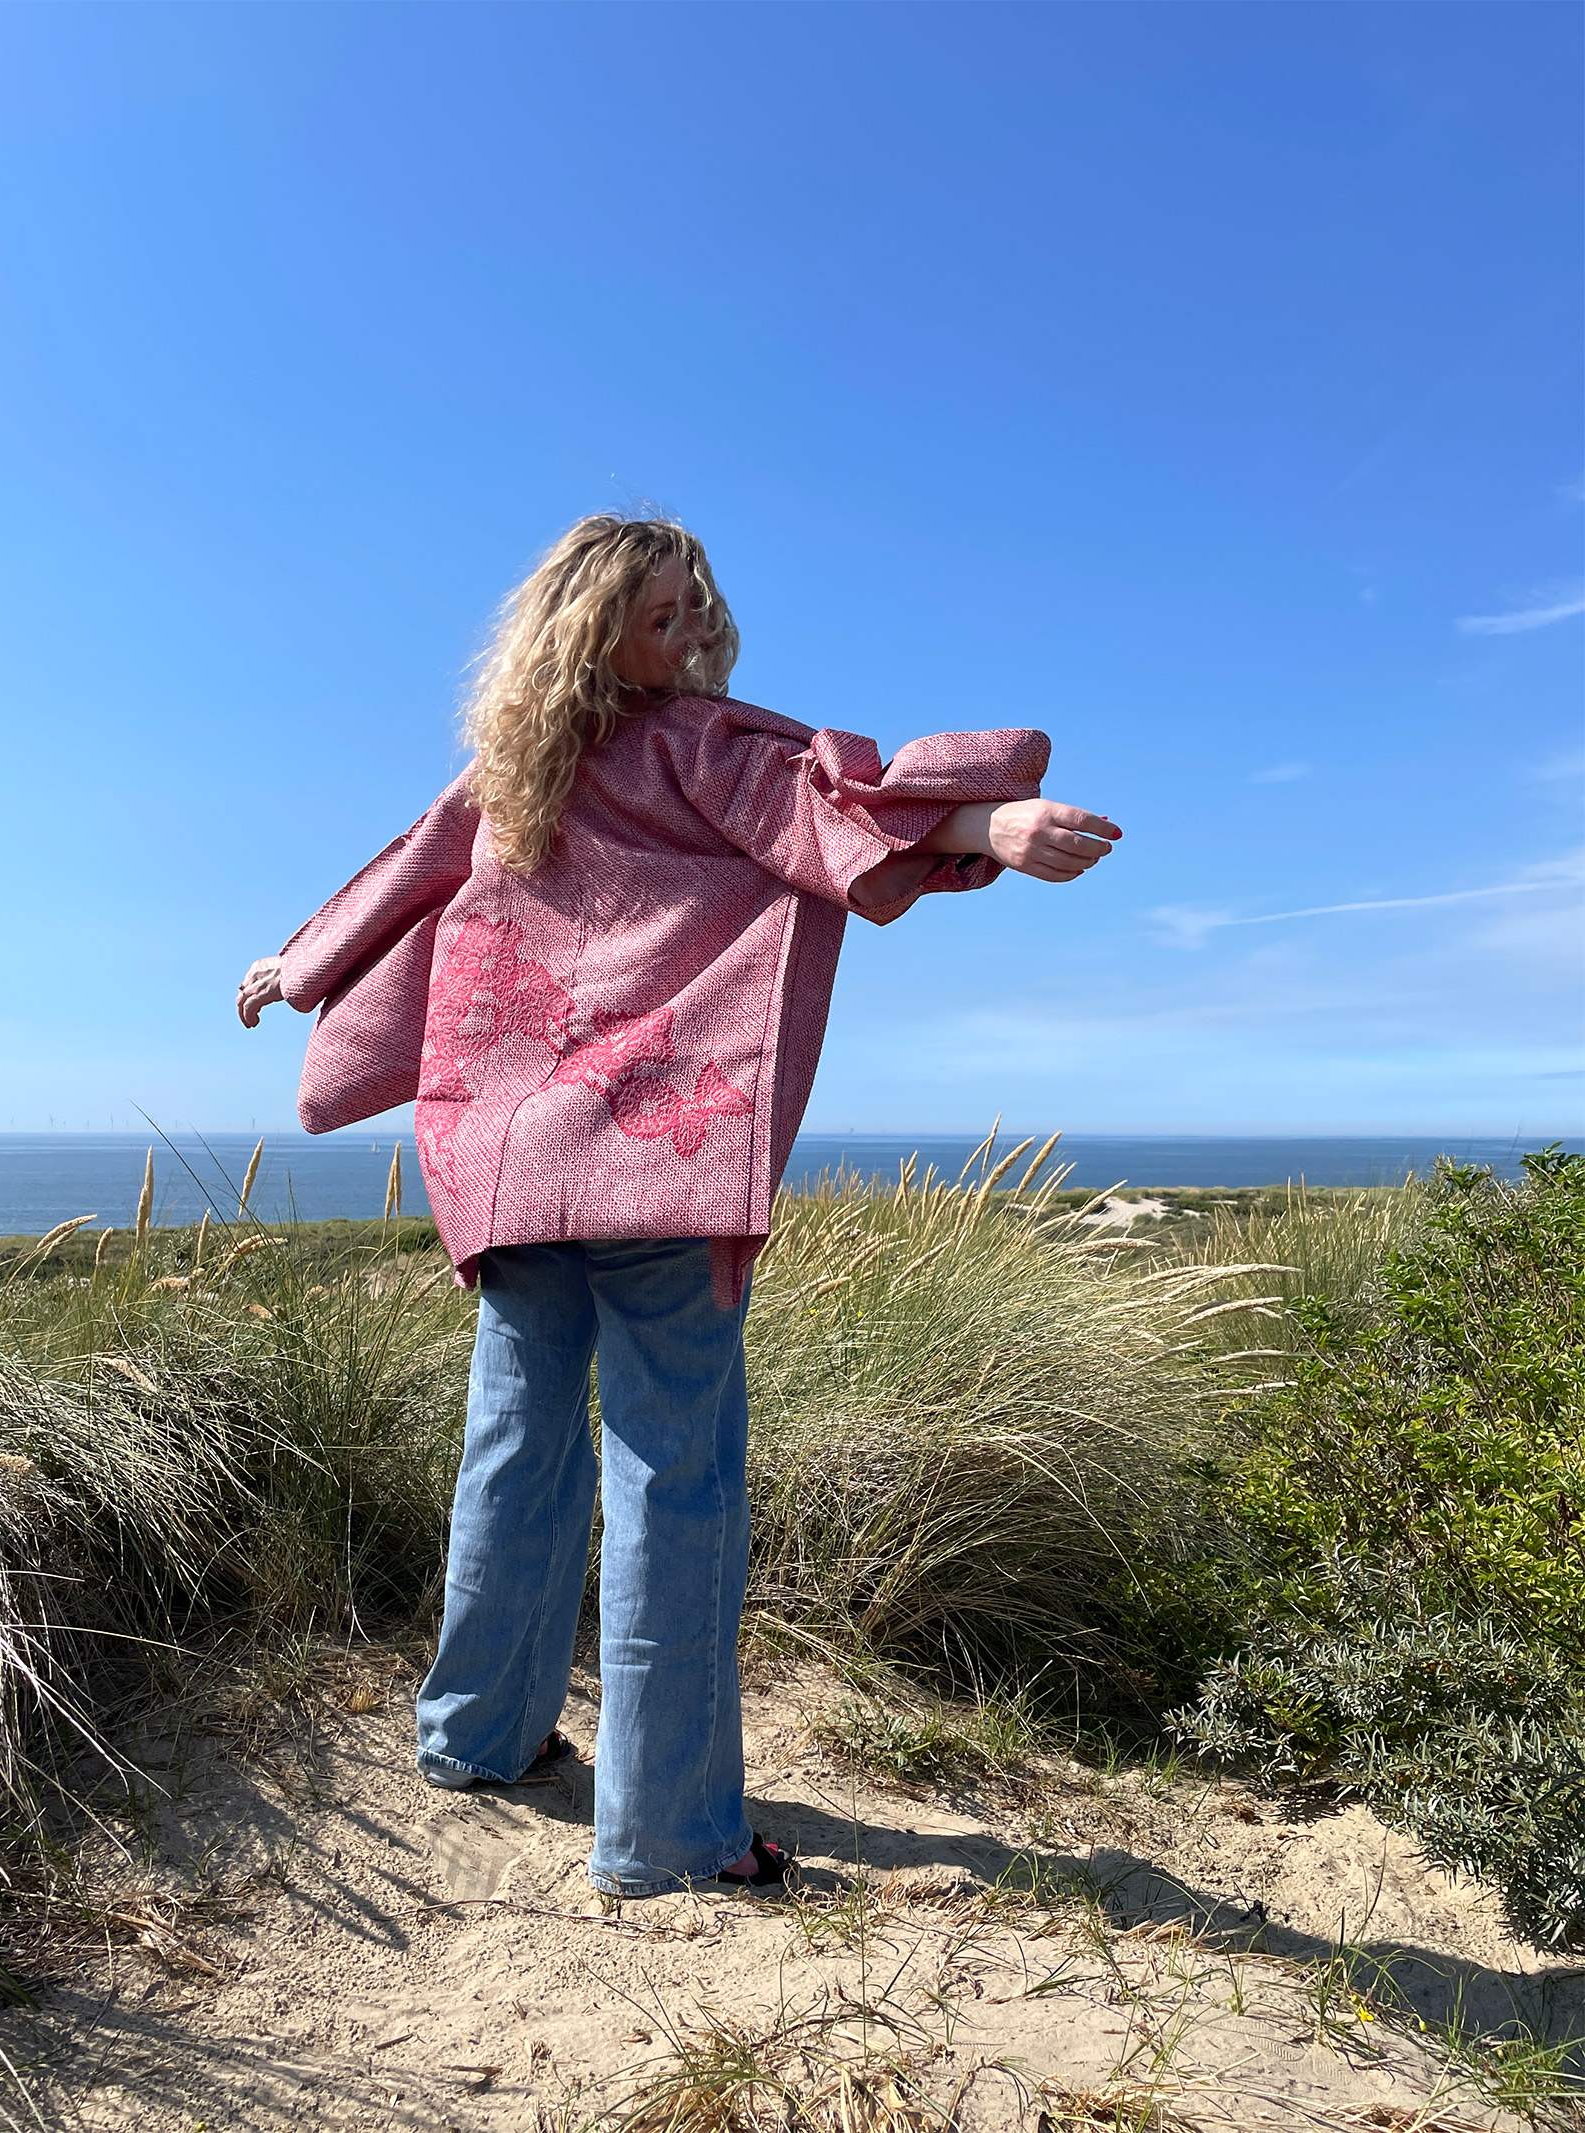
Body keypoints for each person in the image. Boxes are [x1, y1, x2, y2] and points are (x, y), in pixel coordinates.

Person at [237, 511, 1122, 1900]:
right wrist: (988, 825)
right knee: (674, 1475)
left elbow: (401, 877)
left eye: (695, 609)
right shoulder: (702, 747)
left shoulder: (514, 771)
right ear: (594, 625)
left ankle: (476, 1737)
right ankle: (666, 1831)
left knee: (516, 1449)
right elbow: (835, 817)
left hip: (515, 1161)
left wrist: (297, 965)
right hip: (661, 1158)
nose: (690, 633)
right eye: (663, 612)